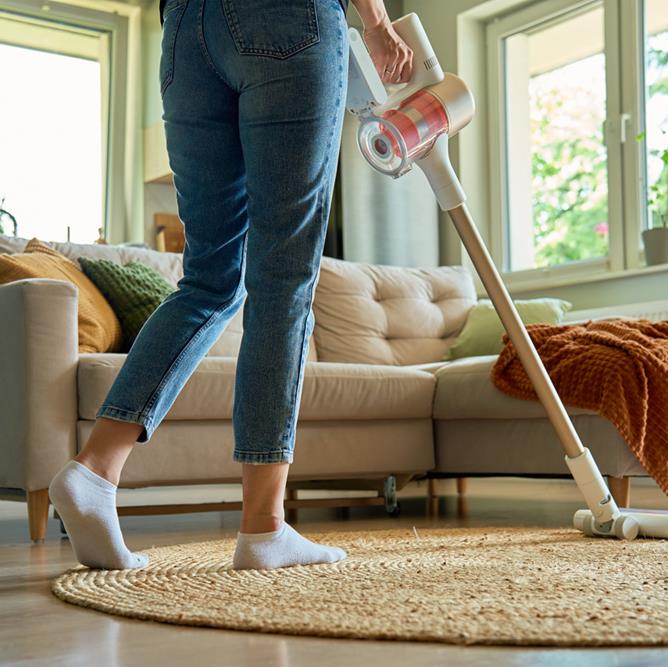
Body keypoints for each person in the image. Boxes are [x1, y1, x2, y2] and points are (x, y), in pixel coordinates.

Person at [48, 0, 413, 571]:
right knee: (282, 279)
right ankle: (264, 528)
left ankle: (95, 470)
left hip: (184, 34)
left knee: (208, 282)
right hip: (286, 21)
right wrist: (379, 24)